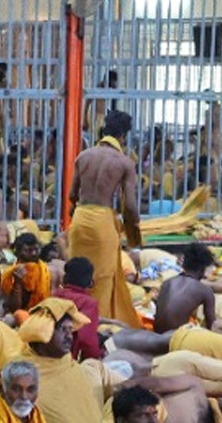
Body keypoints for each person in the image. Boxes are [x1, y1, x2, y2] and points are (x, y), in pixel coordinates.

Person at [67, 109, 141, 327]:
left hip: (80, 218)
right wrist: (134, 227)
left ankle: (71, 322)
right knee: (102, 278)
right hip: (103, 221)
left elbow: (72, 195)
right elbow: (130, 205)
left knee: (76, 274)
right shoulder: (124, 162)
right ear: (123, 136)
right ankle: (96, 327)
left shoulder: (83, 156)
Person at [154, 244, 216, 332]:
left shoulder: (167, 283)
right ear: (203, 269)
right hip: (177, 337)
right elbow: (212, 325)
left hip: (157, 335)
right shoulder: (205, 291)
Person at [50, 258, 100, 360]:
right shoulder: (89, 303)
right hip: (70, 358)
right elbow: (86, 340)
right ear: (89, 281)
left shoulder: (56, 295)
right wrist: (95, 360)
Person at [0, 234, 50, 313]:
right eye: (29, 250)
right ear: (18, 253)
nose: (34, 253)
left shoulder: (47, 271)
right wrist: (17, 283)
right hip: (20, 314)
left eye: (36, 249)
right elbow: (15, 309)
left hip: (42, 312)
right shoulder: (10, 275)